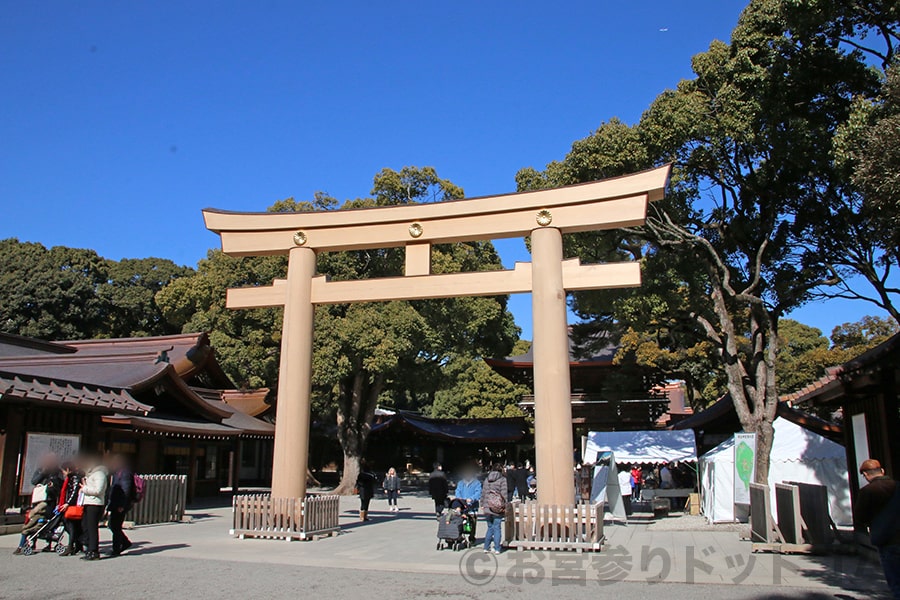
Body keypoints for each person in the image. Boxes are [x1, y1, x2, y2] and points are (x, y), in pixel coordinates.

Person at [856, 459, 900, 598]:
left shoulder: (867, 492)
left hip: (886, 538)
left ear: (866, 475)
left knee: (895, 579)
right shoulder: (898, 486)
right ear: (882, 471)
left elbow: (860, 517)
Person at [14, 452, 62, 555]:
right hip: (38, 500)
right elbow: (34, 481)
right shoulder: (41, 470)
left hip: (50, 500)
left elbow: (59, 486)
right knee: (33, 520)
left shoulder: (57, 472)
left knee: (47, 522)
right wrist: (43, 473)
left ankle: (48, 543)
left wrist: (52, 484)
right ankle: (29, 543)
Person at [80, 453, 108, 561]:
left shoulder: (100, 474)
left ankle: (94, 551)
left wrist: (84, 489)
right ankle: (88, 549)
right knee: (86, 526)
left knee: (92, 528)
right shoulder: (90, 474)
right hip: (88, 502)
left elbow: (98, 490)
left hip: (95, 504)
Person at [107, 454, 134, 556]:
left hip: (120, 503)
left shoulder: (125, 473)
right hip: (115, 502)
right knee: (112, 525)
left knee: (115, 526)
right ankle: (125, 542)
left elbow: (126, 489)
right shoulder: (117, 473)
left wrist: (122, 504)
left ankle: (116, 548)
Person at [57, 459, 85, 556]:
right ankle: (77, 544)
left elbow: (74, 492)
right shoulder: (70, 478)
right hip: (70, 504)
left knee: (71, 525)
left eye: (64, 471)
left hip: (73, 505)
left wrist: (68, 503)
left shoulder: (75, 477)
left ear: (68, 469)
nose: (63, 473)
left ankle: (71, 545)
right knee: (72, 525)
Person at [481, 463, 507, 554]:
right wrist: (505, 505)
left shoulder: (487, 479)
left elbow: (483, 493)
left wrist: (482, 504)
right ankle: (497, 548)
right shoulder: (502, 480)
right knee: (497, 527)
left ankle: (486, 547)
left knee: (489, 527)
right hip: (497, 507)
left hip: (487, 506)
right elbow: (504, 494)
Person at [454, 466, 482, 539]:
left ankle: (472, 536)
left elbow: (478, 493)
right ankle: (459, 535)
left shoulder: (476, 483)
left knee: (472, 521)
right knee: (460, 520)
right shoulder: (461, 483)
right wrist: (459, 497)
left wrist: (472, 499)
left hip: (472, 506)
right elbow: (458, 491)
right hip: (462, 505)